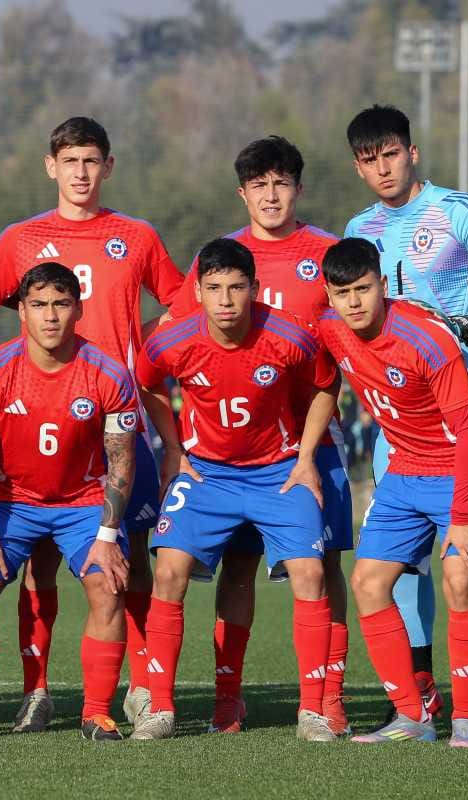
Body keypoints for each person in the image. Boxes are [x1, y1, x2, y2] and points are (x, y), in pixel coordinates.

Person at [0, 116, 183, 731]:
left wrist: (139, 351)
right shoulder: (23, 238)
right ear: (51, 166)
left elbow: (182, 306)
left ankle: (138, 684)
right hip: (34, 416)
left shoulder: (136, 235)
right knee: (33, 566)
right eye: (70, 160)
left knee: (126, 559)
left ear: (108, 167)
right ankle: (38, 686)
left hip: (112, 423)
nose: (80, 172)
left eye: (91, 161)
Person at [344, 104, 468, 737]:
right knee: (398, 568)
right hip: (398, 427)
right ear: (358, 167)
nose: (382, 169)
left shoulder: (459, 210)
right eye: (369, 160)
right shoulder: (359, 227)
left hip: (463, 415)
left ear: (412, 152)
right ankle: (419, 700)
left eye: (390, 154)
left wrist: (460, 328)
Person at [165, 136, 354, 735]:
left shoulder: (327, 253)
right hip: (234, 451)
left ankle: (328, 698)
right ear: (242, 192)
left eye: (281, 183)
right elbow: (174, 331)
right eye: (259, 185)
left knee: (322, 566)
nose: (270, 196)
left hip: (311, 444)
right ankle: (229, 696)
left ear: (298, 188)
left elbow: (354, 332)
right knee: (238, 569)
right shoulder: (219, 257)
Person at [132, 238, 337, 742]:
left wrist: (307, 457)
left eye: (237, 288)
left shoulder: (291, 336)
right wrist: (173, 449)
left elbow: (326, 384)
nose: (226, 299)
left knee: (311, 573)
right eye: (215, 288)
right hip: (206, 476)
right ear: (197, 291)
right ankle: (160, 707)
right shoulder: (171, 340)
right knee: (168, 572)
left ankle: (312, 710)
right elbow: (148, 382)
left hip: (277, 473)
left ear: (255, 288)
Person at [0, 263, 137, 742]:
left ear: (79, 309)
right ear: (21, 311)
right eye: (40, 305)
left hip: (84, 501)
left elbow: (121, 462)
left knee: (108, 586)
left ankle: (95, 714)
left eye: (62, 304)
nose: (51, 317)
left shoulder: (108, 372)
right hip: (12, 501)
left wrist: (107, 537)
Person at [315, 237, 468, 747]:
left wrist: (463, 517)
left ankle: (465, 722)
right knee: (368, 584)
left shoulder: (426, 338)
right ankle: (413, 717)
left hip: (465, 467)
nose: (354, 302)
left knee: (459, 577)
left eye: (363, 289)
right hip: (403, 472)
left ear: (382, 284)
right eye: (342, 292)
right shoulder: (330, 329)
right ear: (328, 295)